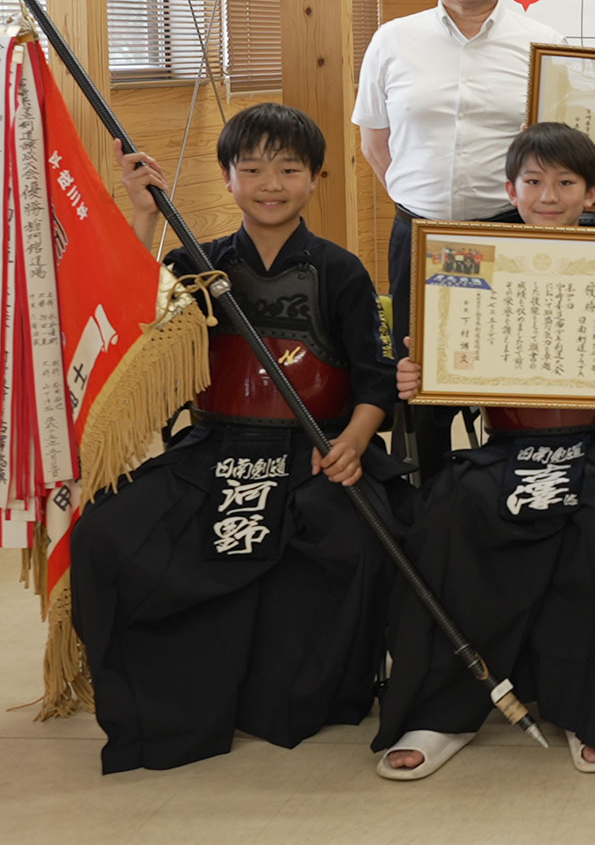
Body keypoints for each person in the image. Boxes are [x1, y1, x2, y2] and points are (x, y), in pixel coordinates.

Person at [72, 104, 402, 773]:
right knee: (108, 532)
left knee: (356, 536)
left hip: (314, 449)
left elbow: (377, 381)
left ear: (315, 178)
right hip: (216, 448)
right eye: (252, 169)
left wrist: (354, 441)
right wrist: (140, 212)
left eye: (288, 169)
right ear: (227, 178)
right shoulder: (198, 262)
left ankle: (313, 689)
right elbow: (135, 326)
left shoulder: (340, 271)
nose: (270, 184)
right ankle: (166, 698)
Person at [374, 123, 595, 780]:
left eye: (565, 183)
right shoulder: (471, 258)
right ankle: (439, 711)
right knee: (451, 513)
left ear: (592, 192)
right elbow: (445, 371)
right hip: (509, 444)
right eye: (533, 182)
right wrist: (417, 378)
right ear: (509, 188)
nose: (548, 196)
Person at [354, 0, 561, 481]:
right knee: (422, 376)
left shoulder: (541, 42)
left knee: (508, 367)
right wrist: (421, 203)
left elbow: (555, 148)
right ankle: (430, 492)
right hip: (418, 235)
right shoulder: (392, 41)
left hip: (508, 232)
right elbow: (376, 143)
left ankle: (502, 487)